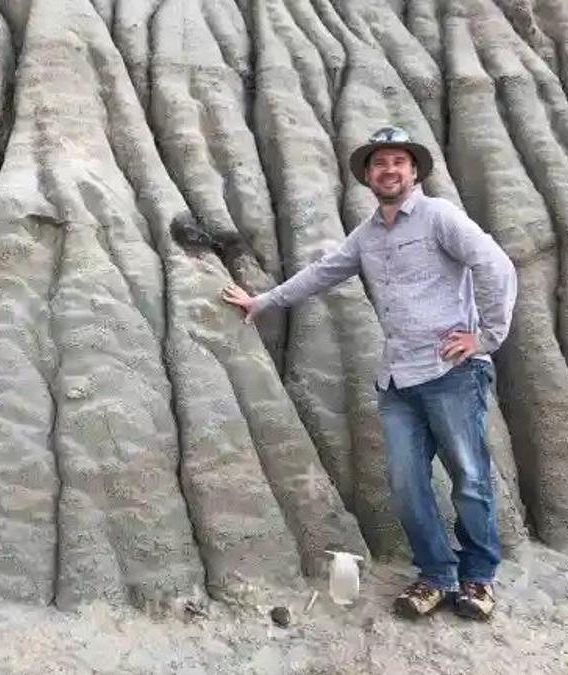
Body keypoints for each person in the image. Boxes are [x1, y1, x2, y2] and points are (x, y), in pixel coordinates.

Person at [221, 126, 517, 621]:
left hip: (451, 373)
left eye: (398, 161)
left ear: (414, 171)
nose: (389, 170)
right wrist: (264, 301)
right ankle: (436, 577)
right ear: (367, 176)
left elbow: (496, 265)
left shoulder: (439, 216)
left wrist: (485, 337)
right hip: (398, 380)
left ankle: (478, 579)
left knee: (469, 477)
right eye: (379, 164)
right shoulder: (368, 235)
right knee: (407, 485)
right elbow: (323, 271)